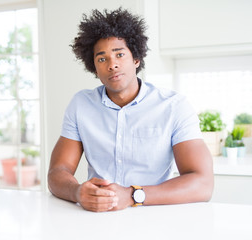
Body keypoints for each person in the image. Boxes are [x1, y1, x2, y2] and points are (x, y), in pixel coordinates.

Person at [48, 8, 214, 212]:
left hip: (155, 215)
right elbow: (57, 171)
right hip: (96, 217)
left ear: (136, 59)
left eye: (119, 54)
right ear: (94, 67)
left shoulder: (174, 106)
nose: (112, 65)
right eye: (102, 59)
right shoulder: (81, 104)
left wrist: (131, 195)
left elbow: (203, 184)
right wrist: (77, 192)